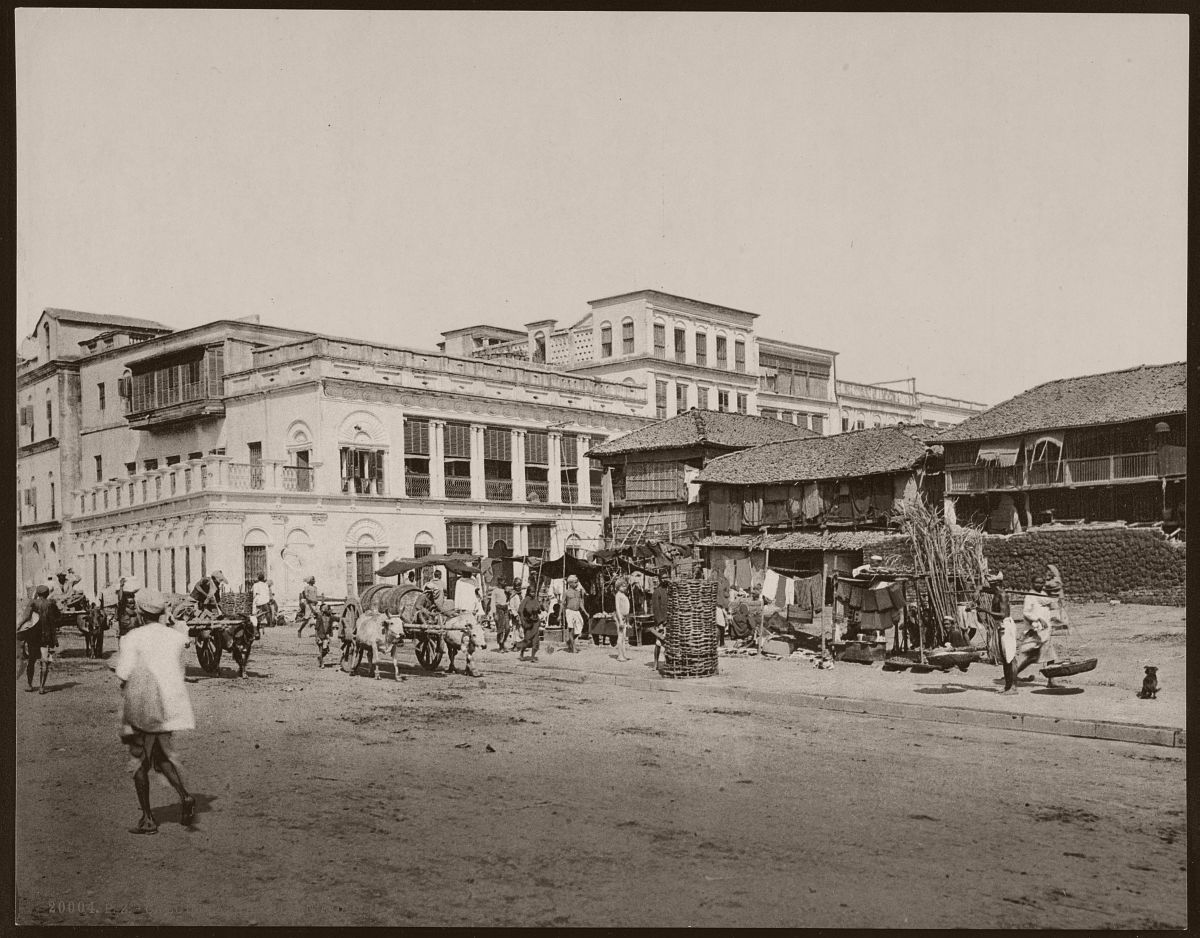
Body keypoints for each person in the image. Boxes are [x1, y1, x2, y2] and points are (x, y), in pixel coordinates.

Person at [113, 589, 196, 835]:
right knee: (159, 756)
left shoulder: (131, 638)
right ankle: (186, 796)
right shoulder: (176, 637)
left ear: (139, 611)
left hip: (143, 706)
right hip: (170, 707)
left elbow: (123, 673)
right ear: (162, 611)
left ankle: (148, 818)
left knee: (139, 762)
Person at [977, 572, 1017, 694]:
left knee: (1009, 657)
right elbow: (986, 589)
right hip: (999, 625)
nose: (990, 586)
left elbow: (1003, 614)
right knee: (1004, 658)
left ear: (998, 584)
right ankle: (1007, 686)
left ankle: (1013, 687)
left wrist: (984, 610)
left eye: (992, 584)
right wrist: (979, 589)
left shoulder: (1002, 595)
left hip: (1005, 625)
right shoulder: (996, 592)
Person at [17, 585, 58, 694]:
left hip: (33, 636)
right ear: (47, 593)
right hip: (46, 637)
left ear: (38, 594)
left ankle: (29, 685)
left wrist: (19, 626)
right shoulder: (51, 604)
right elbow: (58, 616)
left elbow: (26, 617)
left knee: (31, 660)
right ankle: (41, 687)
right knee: (44, 661)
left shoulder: (33, 602)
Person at [514, 583, 543, 662]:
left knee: (536, 640)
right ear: (528, 592)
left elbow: (539, 610)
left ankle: (533, 656)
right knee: (527, 640)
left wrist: (538, 609)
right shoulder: (526, 600)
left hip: (535, 622)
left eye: (534, 592)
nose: (533, 593)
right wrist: (523, 621)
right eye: (531, 592)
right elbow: (520, 611)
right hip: (528, 623)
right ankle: (522, 652)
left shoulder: (535, 600)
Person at [561, 575, 588, 654]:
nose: (577, 583)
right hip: (569, 612)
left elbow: (580, 603)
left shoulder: (578, 592)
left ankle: (570, 640)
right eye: (575, 582)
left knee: (580, 627)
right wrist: (560, 615)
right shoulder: (566, 592)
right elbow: (562, 603)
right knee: (571, 629)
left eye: (577, 582)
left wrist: (585, 612)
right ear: (570, 583)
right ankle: (574, 648)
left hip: (577, 612)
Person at [649, 575, 670, 670]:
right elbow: (656, 609)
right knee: (658, 643)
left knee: (669, 644)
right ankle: (656, 662)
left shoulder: (670, 590)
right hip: (661, 621)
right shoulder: (657, 592)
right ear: (661, 579)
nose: (666, 579)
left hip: (670, 621)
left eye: (667, 577)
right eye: (664, 577)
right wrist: (660, 622)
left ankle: (667, 662)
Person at [1042, 563, 1069, 629]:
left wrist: (1047, 585)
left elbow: (1057, 586)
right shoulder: (1047, 579)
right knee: (1053, 610)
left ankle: (1063, 623)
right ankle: (1056, 623)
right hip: (1051, 597)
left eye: (1049, 571)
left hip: (1058, 597)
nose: (1047, 573)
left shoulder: (1056, 579)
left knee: (1060, 609)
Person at [614, 577, 632, 662]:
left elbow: (627, 609)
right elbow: (617, 608)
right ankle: (620, 655)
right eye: (622, 586)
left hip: (625, 617)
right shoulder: (618, 595)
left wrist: (627, 621)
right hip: (620, 617)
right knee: (620, 636)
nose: (624, 588)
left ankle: (624, 654)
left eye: (625, 586)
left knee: (624, 637)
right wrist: (620, 620)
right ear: (618, 587)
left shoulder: (624, 595)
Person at [491, 580, 512, 652]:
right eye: (503, 581)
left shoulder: (506, 590)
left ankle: (503, 641)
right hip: (498, 610)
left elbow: (509, 600)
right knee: (500, 628)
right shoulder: (495, 591)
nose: (505, 583)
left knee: (507, 628)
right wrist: (494, 613)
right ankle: (500, 646)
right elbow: (492, 602)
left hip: (505, 609)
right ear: (499, 582)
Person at [250, 573, 271, 639]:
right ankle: (260, 629)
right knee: (261, 616)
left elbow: (253, 593)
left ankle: (255, 631)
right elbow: (267, 593)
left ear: (258, 579)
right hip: (265, 601)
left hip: (258, 601)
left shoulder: (255, 585)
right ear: (263, 579)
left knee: (254, 615)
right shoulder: (266, 585)